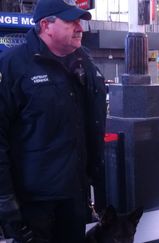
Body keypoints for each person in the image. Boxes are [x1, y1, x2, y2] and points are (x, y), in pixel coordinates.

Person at [0, 0, 106, 242]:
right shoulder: (12, 66)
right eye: (71, 21)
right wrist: (4, 198)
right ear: (46, 25)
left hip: (75, 194)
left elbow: (93, 123)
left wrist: (97, 182)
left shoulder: (84, 62)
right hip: (34, 202)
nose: (80, 28)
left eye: (80, 22)